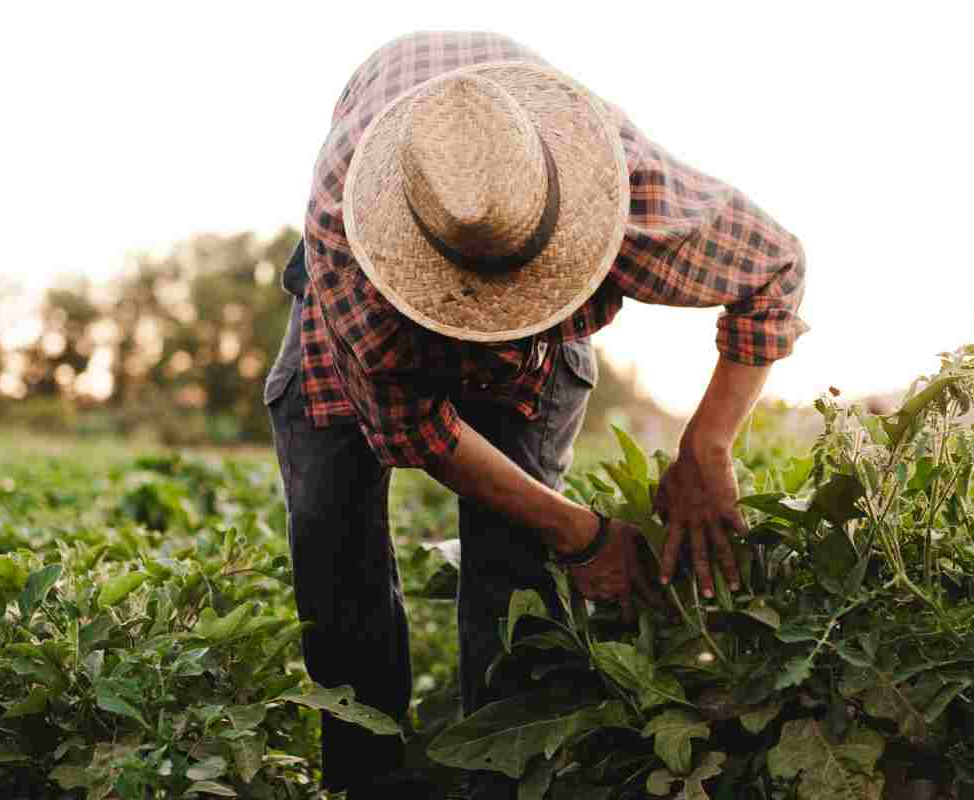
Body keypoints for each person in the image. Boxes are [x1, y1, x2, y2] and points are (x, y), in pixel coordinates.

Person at [264, 31, 808, 800]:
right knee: (332, 550)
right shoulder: (352, 245)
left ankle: (501, 776)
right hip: (363, 288)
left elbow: (775, 268)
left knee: (517, 570)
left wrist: (708, 447)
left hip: (541, 254)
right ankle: (368, 779)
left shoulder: (626, 189)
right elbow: (413, 429)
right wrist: (583, 533)